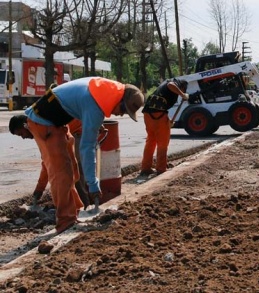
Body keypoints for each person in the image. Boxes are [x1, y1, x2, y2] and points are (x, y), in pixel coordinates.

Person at [12, 77, 144, 233]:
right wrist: (93, 185)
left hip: (56, 121)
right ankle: (65, 221)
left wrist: (91, 122)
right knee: (61, 173)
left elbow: (79, 101)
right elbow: (87, 148)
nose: (121, 115)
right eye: (123, 110)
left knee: (73, 170)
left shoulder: (102, 89)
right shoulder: (96, 106)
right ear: (119, 101)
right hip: (44, 123)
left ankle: (77, 210)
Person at [9, 117, 92, 209]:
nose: (23, 137)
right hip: (77, 133)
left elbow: (48, 163)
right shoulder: (38, 127)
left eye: (21, 134)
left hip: (79, 134)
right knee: (72, 176)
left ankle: (81, 208)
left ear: (25, 125)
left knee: (70, 176)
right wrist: (40, 188)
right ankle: (80, 207)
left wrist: (40, 188)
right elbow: (47, 162)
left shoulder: (42, 129)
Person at [140, 77, 189, 175]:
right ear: (182, 87)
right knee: (163, 143)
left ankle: (146, 168)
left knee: (151, 141)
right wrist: (183, 94)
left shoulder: (163, 88)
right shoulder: (173, 83)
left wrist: (168, 120)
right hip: (159, 115)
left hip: (148, 115)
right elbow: (170, 85)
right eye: (183, 90)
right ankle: (161, 169)